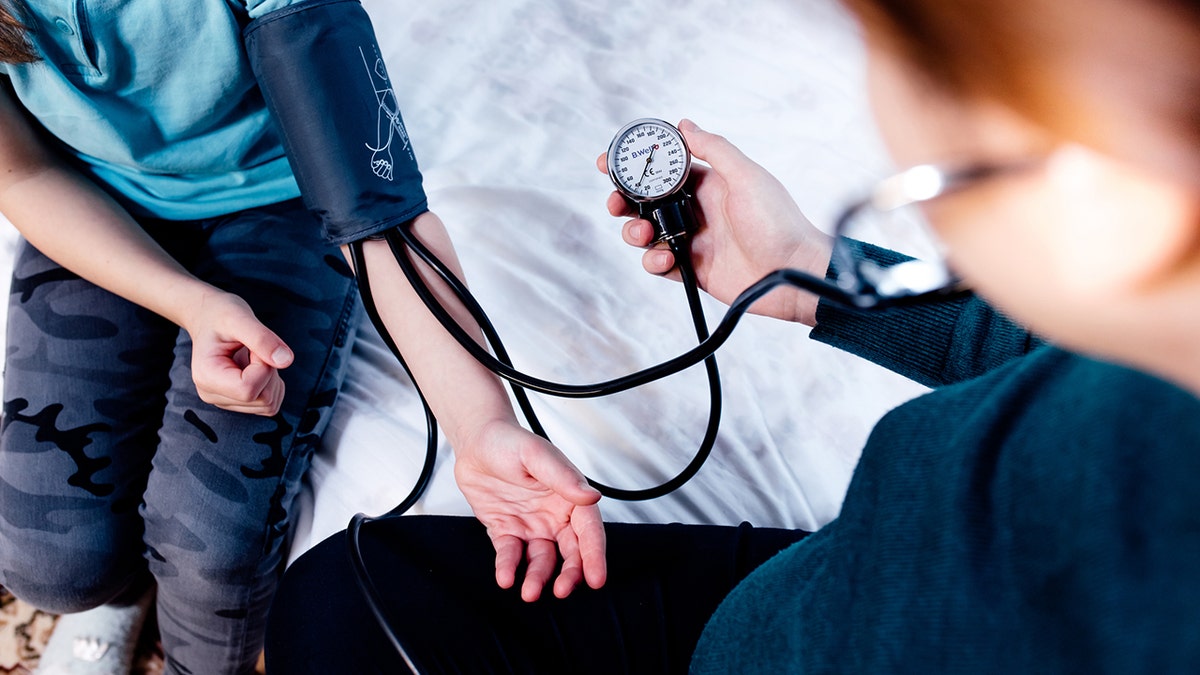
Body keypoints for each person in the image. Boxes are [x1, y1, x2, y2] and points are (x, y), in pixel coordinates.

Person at [263, 0, 1200, 672]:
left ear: (1100, 196)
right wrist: (817, 275)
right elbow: (1040, 348)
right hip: (817, 589)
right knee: (334, 601)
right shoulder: (1147, 328)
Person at [0, 1, 604, 674]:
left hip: (283, 198)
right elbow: (18, 172)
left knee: (210, 555)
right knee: (52, 566)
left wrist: (479, 421)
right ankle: (131, 583)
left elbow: (377, 215)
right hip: (90, 196)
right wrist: (191, 304)